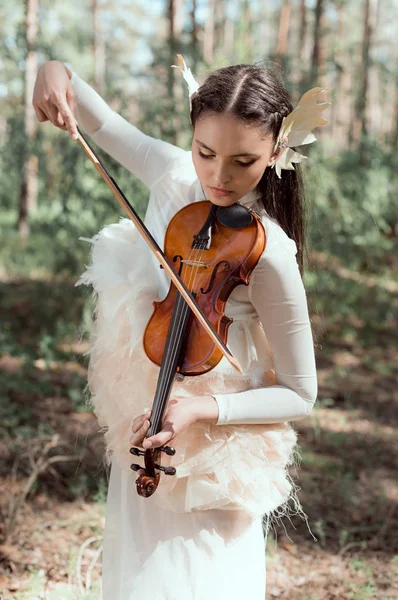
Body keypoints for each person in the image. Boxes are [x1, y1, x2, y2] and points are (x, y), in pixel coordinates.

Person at [33, 57, 329, 600]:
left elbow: (300, 392)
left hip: (218, 441)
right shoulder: (172, 172)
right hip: (146, 409)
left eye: (243, 161)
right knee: (139, 576)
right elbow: (98, 119)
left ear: (277, 153)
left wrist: (199, 410)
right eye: (206, 153)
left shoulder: (271, 252)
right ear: (192, 136)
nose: (218, 177)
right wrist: (56, 71)